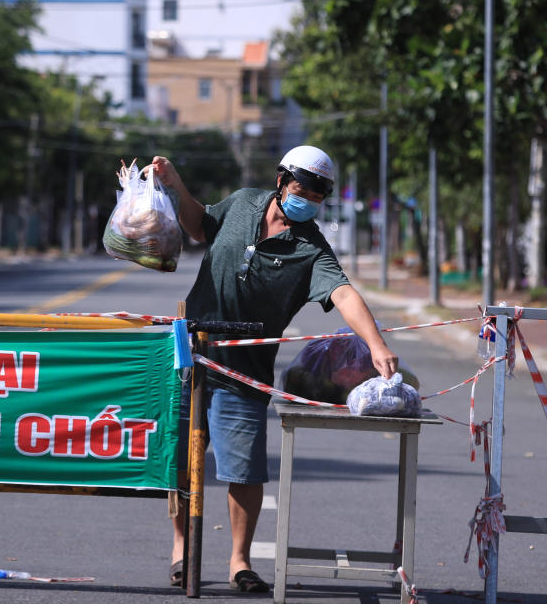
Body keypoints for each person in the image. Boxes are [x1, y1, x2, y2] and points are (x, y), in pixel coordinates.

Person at [145, 145, 398, 594]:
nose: (308, 201)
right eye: (302, 190)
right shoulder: (243, 202)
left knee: (244, 470)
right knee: (181, 457)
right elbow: (199, 223)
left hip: (245, 371)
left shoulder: (311, 248)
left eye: (318, 197)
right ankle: (182, 547)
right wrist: (174, 183)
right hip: (190, 355)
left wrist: (375, 343)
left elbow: (342, 293)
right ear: (282, 181)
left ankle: (239, 560)